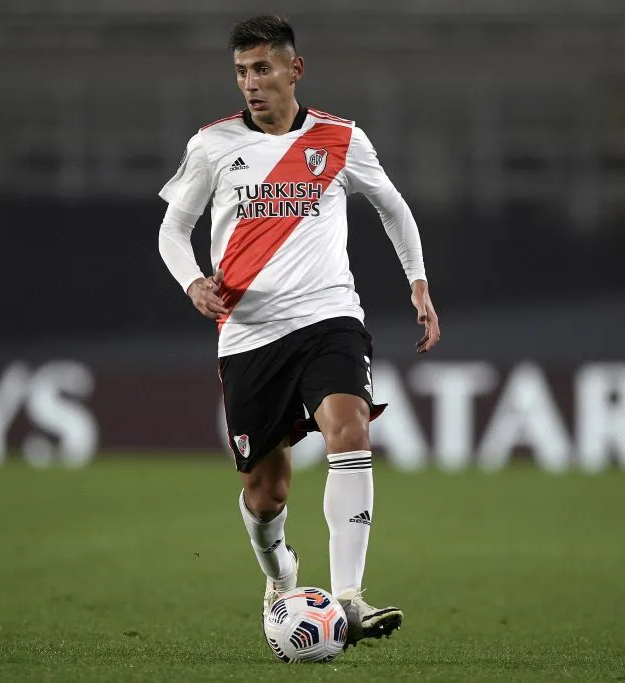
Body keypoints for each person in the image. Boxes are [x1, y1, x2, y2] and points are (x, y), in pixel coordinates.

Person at [157, 14, 439, 647]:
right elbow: (173, 230)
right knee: (266, 491)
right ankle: (281, 572)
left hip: (328, 318)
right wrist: (193, 281)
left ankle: (349, 598)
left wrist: (418, 283)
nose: (250, 83)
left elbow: (393, 207)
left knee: (350, 426)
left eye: (261, 68)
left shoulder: (340, 138)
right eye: (240, 72)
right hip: (250, 334)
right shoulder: (212, 145)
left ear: (294, 69)